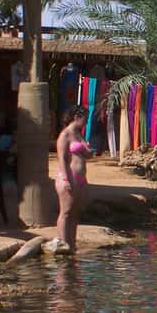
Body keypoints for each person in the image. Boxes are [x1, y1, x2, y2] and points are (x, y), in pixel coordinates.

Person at [52, 106, 93, 253]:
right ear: (76, 117)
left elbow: (85, 155)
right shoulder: (65, 135)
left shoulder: (79, 134)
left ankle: (72, 244)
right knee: (66, 212)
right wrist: (66, 179)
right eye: (85, 119)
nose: (86, 122)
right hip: (68, 177)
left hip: (80, 178)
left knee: (75, 213)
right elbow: (62, 158)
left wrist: (88, 151)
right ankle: (63, 243)